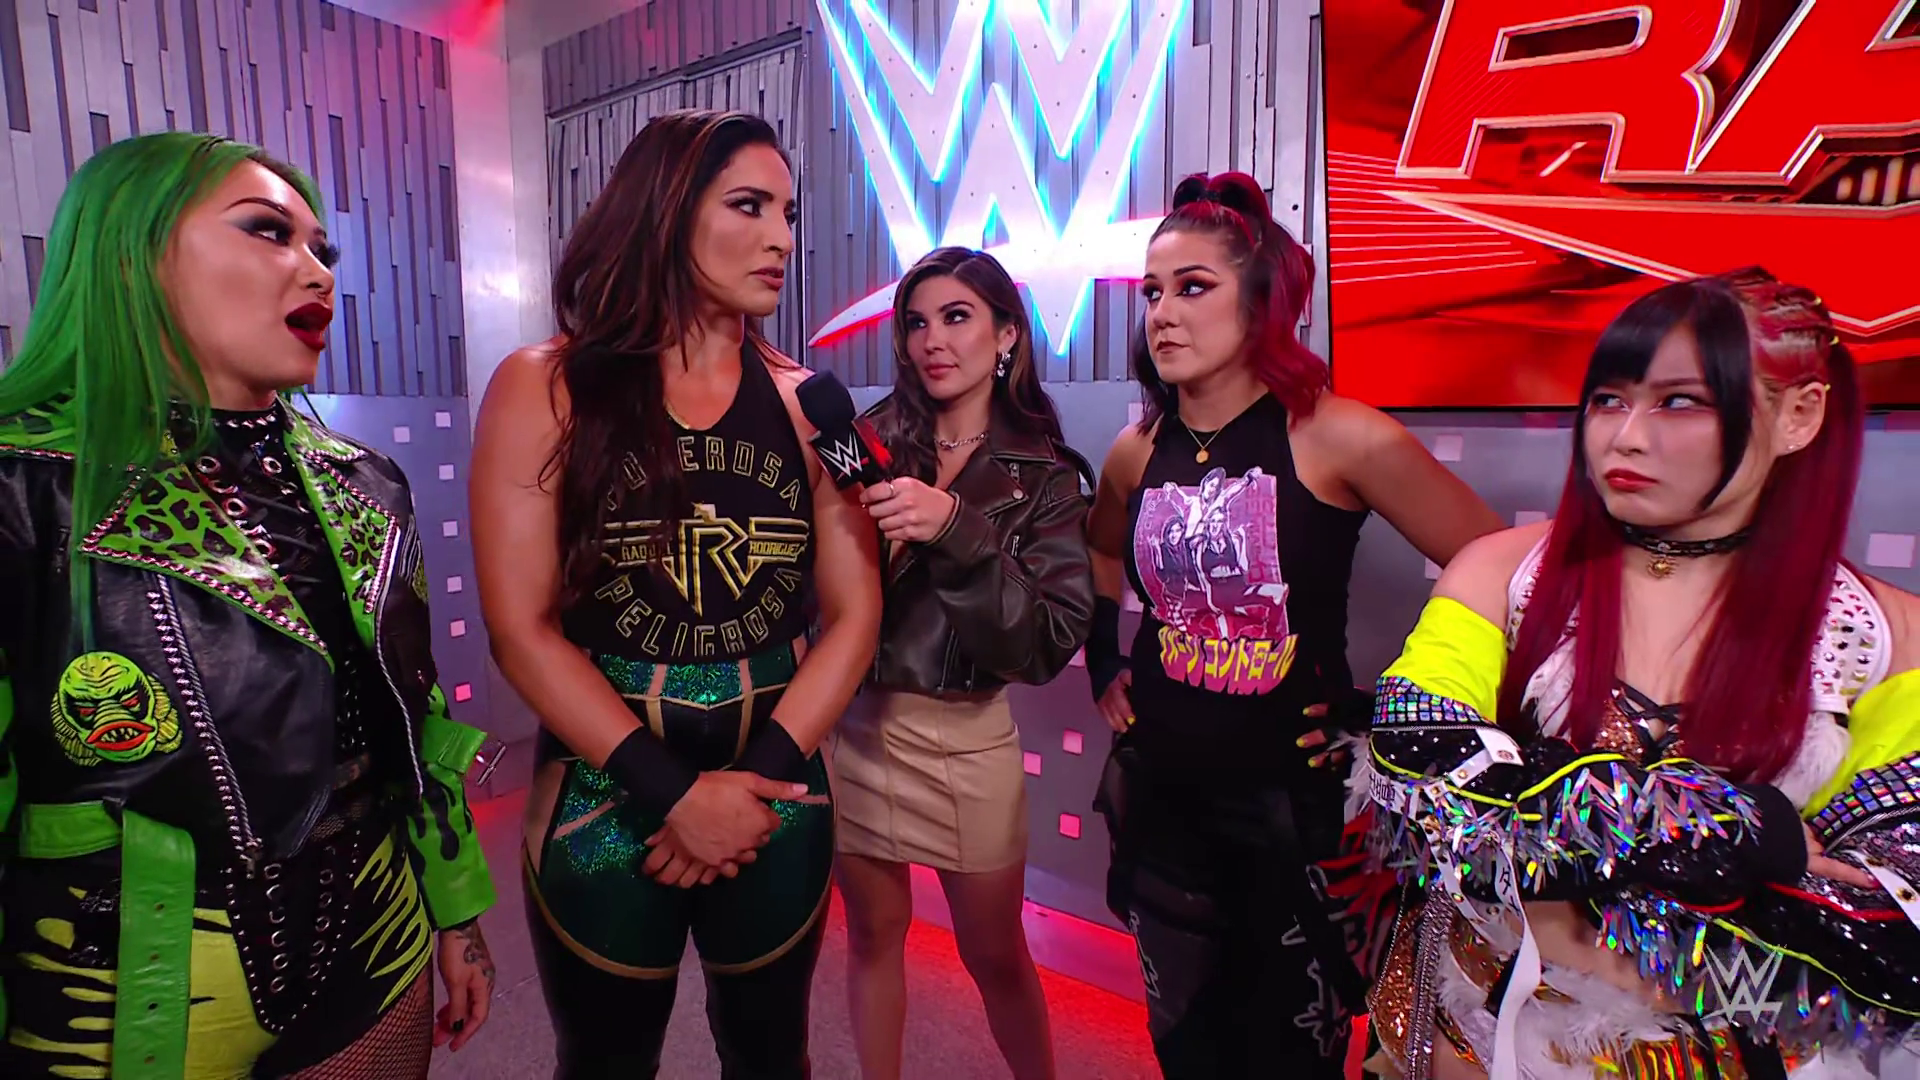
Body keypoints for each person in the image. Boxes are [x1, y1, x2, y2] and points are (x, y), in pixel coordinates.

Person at [0, 132, 498, 1079]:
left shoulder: (367, 482)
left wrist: (456, 911)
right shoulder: (23, 486)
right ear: (132, 252)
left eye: (322, 248)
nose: (317, 271)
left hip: (377, 942)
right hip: (122, 992)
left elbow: (414, 727)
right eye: (269, 231)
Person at [1360, 268, 1920, 1080]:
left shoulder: (1885, 635)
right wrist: (1729, 831)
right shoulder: (1501, 573)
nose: (1624, 438)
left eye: (1679, 403)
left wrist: (1567, 821)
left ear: (1799, 415)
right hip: (1482, 1034)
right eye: (1608, 400)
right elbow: (1419, 775)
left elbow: (1891, 925)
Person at [470, 108, 883, 1079]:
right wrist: (677, 796)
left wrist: (751, 786)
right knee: (603, 1061)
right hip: (604, 788)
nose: (781, 239)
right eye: (749, 206)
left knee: (772, 1056)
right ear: (665, 210)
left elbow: (857, 612)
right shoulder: (546, 386)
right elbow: (520, 628)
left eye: (789, 212)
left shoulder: (814, 404)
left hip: (777, 787)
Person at [1082, 171, 1504, 1078]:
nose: (1163, 313)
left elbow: (1502, 571)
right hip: (1162, 806)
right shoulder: (1134, 450)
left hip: (1290, 820)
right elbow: (1100, 552)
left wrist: (1394, 711)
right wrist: (1104, 661)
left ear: (1262, 303)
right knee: (1185, 1048)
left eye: (1194, 287)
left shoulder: (1339, 436)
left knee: (1289, 1059)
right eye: (1152, 292)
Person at [833, 247, 1095, 1080]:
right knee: (873, 936)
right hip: (856, 731)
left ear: (1007, 334)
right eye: (916, 322)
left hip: (967, 742)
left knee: (993, 953)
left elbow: (1041, 645)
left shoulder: (1046, 475)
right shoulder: (865, 441)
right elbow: (815, 582)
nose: (933, 341)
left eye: (957, 317)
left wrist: (957, 529)